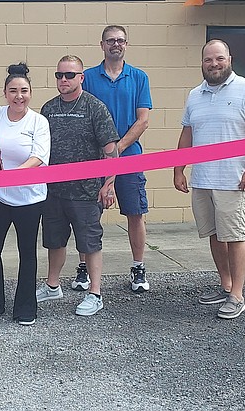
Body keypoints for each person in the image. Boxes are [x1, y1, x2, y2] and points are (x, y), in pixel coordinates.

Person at [173, 40, 245, 320]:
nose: (214, 64)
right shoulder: (195, 95)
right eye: (208, 60)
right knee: (214, 235)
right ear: (202, 63)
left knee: (235, 236)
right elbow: (187, 135)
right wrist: (179, 169)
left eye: (219, 59)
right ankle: (225, 284)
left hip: (233, 180)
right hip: (203, 179)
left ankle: (237, 295)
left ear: (230, 59)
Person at [36, 55, 119, 317]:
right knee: (54, 241)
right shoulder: (48, 109)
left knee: (89, 242)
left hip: (85, 192)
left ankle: (95, 293)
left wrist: (109, 184)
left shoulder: (95, 108)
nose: (63, 80)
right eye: (59, 75)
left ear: (81, 77)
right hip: (54, 191)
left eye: (69, 75)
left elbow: (111, 151)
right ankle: (52, 286)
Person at [0, 63, 51, 326]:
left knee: (27, 252)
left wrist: (12, 174)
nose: (19, 96)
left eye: (24, 91)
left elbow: (38, 157)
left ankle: (26, 307)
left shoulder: (39, 121)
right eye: (13, 91)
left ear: (31, 93)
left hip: (29, 198)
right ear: (5, 93)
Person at [82, 25, 153, 293]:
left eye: (121, 40)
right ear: (102, 45)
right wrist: (105, 153)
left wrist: (118, 149)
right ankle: (83, 269)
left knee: (135, 213)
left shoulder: (138, 77)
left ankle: (138, 267)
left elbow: (143, 119)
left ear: (126, 45)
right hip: (95, 160)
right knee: (87, 216)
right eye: (111, 40)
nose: (116, 44)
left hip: (130, 158)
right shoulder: (87, 78)